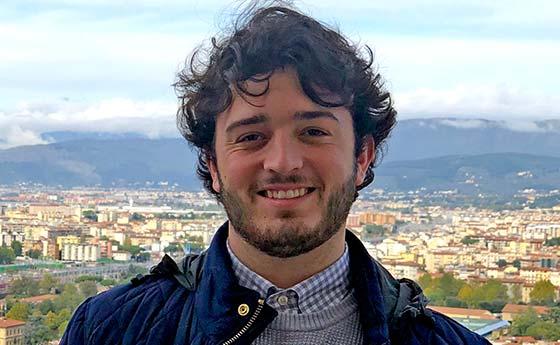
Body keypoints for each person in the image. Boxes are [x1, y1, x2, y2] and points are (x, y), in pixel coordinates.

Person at [61, 3, 491, 345]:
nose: (283, 162)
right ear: (212, 164)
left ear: (362, 157)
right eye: (251, 136)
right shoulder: (108, 331)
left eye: (313, 131)